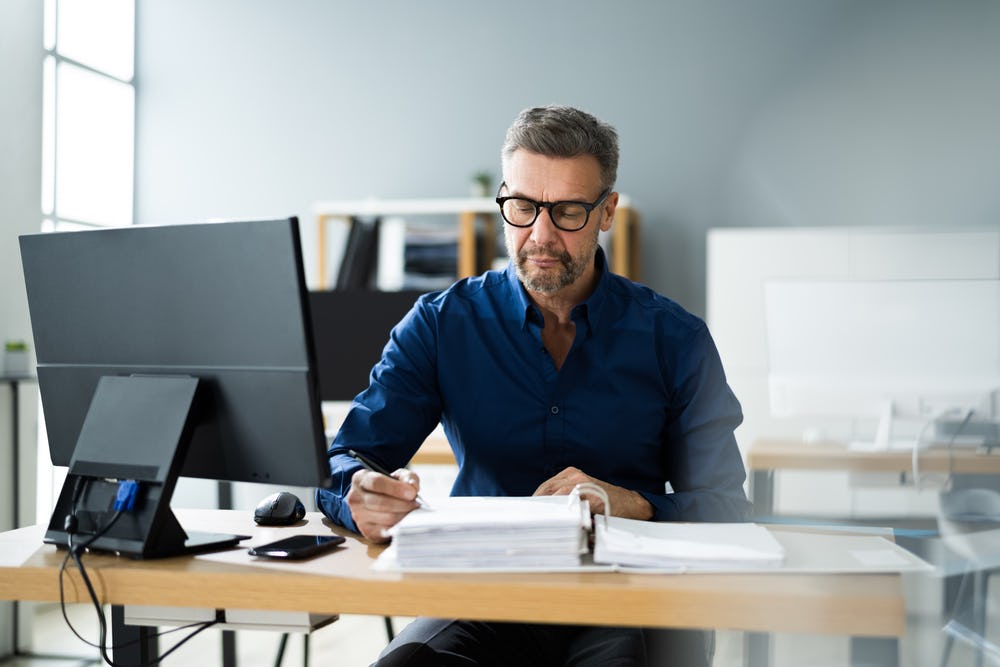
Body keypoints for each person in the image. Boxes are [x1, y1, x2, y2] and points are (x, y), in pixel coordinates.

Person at [316, 105, 750, 666]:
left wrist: (637, 505)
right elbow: (343, 460)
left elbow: (726, 509)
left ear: (607, 212)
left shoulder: (676, 339)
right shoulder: (441, 324)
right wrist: (360, 496)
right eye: (522, 207)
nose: (539, 236)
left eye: (568, 211)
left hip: (632, 596)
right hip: (484, 593)